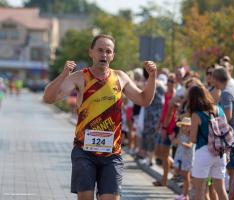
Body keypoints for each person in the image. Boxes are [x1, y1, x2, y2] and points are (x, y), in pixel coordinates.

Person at [43, 34, 157, 200]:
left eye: (108, 51)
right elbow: (48, 98)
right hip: (84, 151)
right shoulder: (80, 77)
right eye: (100, 50)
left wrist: (152, 76)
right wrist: (64, 74)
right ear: (91, 52)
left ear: (113, 55)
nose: (104, 54)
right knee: (86, 197)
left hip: (112, 153)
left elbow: (144, 100)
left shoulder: (120, 77)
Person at [189, 84, 228, 200]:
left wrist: (188, 131)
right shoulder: (219, 110)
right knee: (221, 189)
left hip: (204, 152)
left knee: (200, 190)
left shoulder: (196, 115)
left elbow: (193, 139)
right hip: (220, 152)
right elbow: (225, 129)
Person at [173, 117, 194, 200]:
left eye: (187, 126)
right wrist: (176, 141)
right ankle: (183, 194)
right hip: (181, 157)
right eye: (183, 126)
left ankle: (186, 195)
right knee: (184, 176)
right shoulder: (181, 135)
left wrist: (181, 143)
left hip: (188, 158)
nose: (185, 127)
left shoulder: (191, 136)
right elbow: (176, 142)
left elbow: (190, 145)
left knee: (186, 177)